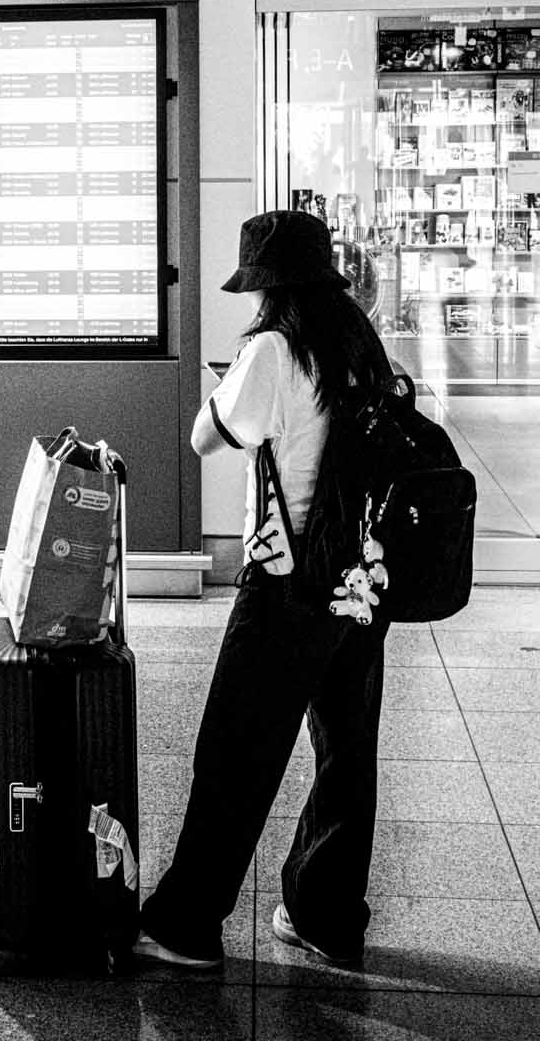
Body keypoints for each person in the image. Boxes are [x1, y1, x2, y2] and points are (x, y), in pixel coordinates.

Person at [135, 210, 395, 971]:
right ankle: (326, 914)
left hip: (286, 585)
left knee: (236, 753)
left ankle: (185, 924)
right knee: (347, 754)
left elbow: (207, 437)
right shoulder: (359, 345)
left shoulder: (275, 350)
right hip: (359, 583)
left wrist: (232, 381)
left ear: (267, 288)